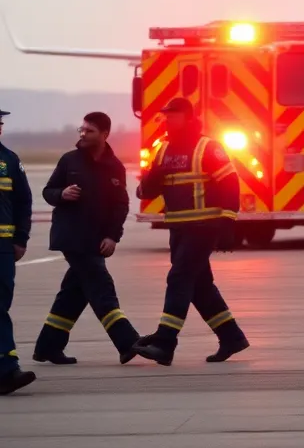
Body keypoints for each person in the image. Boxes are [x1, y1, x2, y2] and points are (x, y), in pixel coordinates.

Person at [130, 97, 249, 366]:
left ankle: (165, 342)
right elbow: (145, 192)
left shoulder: (208, 147)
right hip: (179, 229)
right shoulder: (161, 149)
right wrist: (153, 177)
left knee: (179, 278)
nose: (167, 120)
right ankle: (231, 337)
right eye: (165, 116)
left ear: (187, 117)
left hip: (203, 228)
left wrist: (228, 223)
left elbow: (230, 184)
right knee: (199, 286)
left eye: (172, 115)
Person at [33, 112, 141, 365]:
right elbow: (48, 191)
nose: (82, 134)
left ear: (104, 134)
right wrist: (62, 193)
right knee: (101, 287)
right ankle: (127, 341)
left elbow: (120, 205)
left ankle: (48, 346)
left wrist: (113, 236)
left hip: (96, 239)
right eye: (81, 130)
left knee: (74, 292)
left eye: (89, 131)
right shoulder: (69, 161)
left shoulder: (115, 167)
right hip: (72, 237)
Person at [0, 107, 36, 395]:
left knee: (0, 305)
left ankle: (7, 368)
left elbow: (24, 202)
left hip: (3, 250)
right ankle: (7, 369)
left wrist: (20, 238)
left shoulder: (9, 160)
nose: (0, 125)